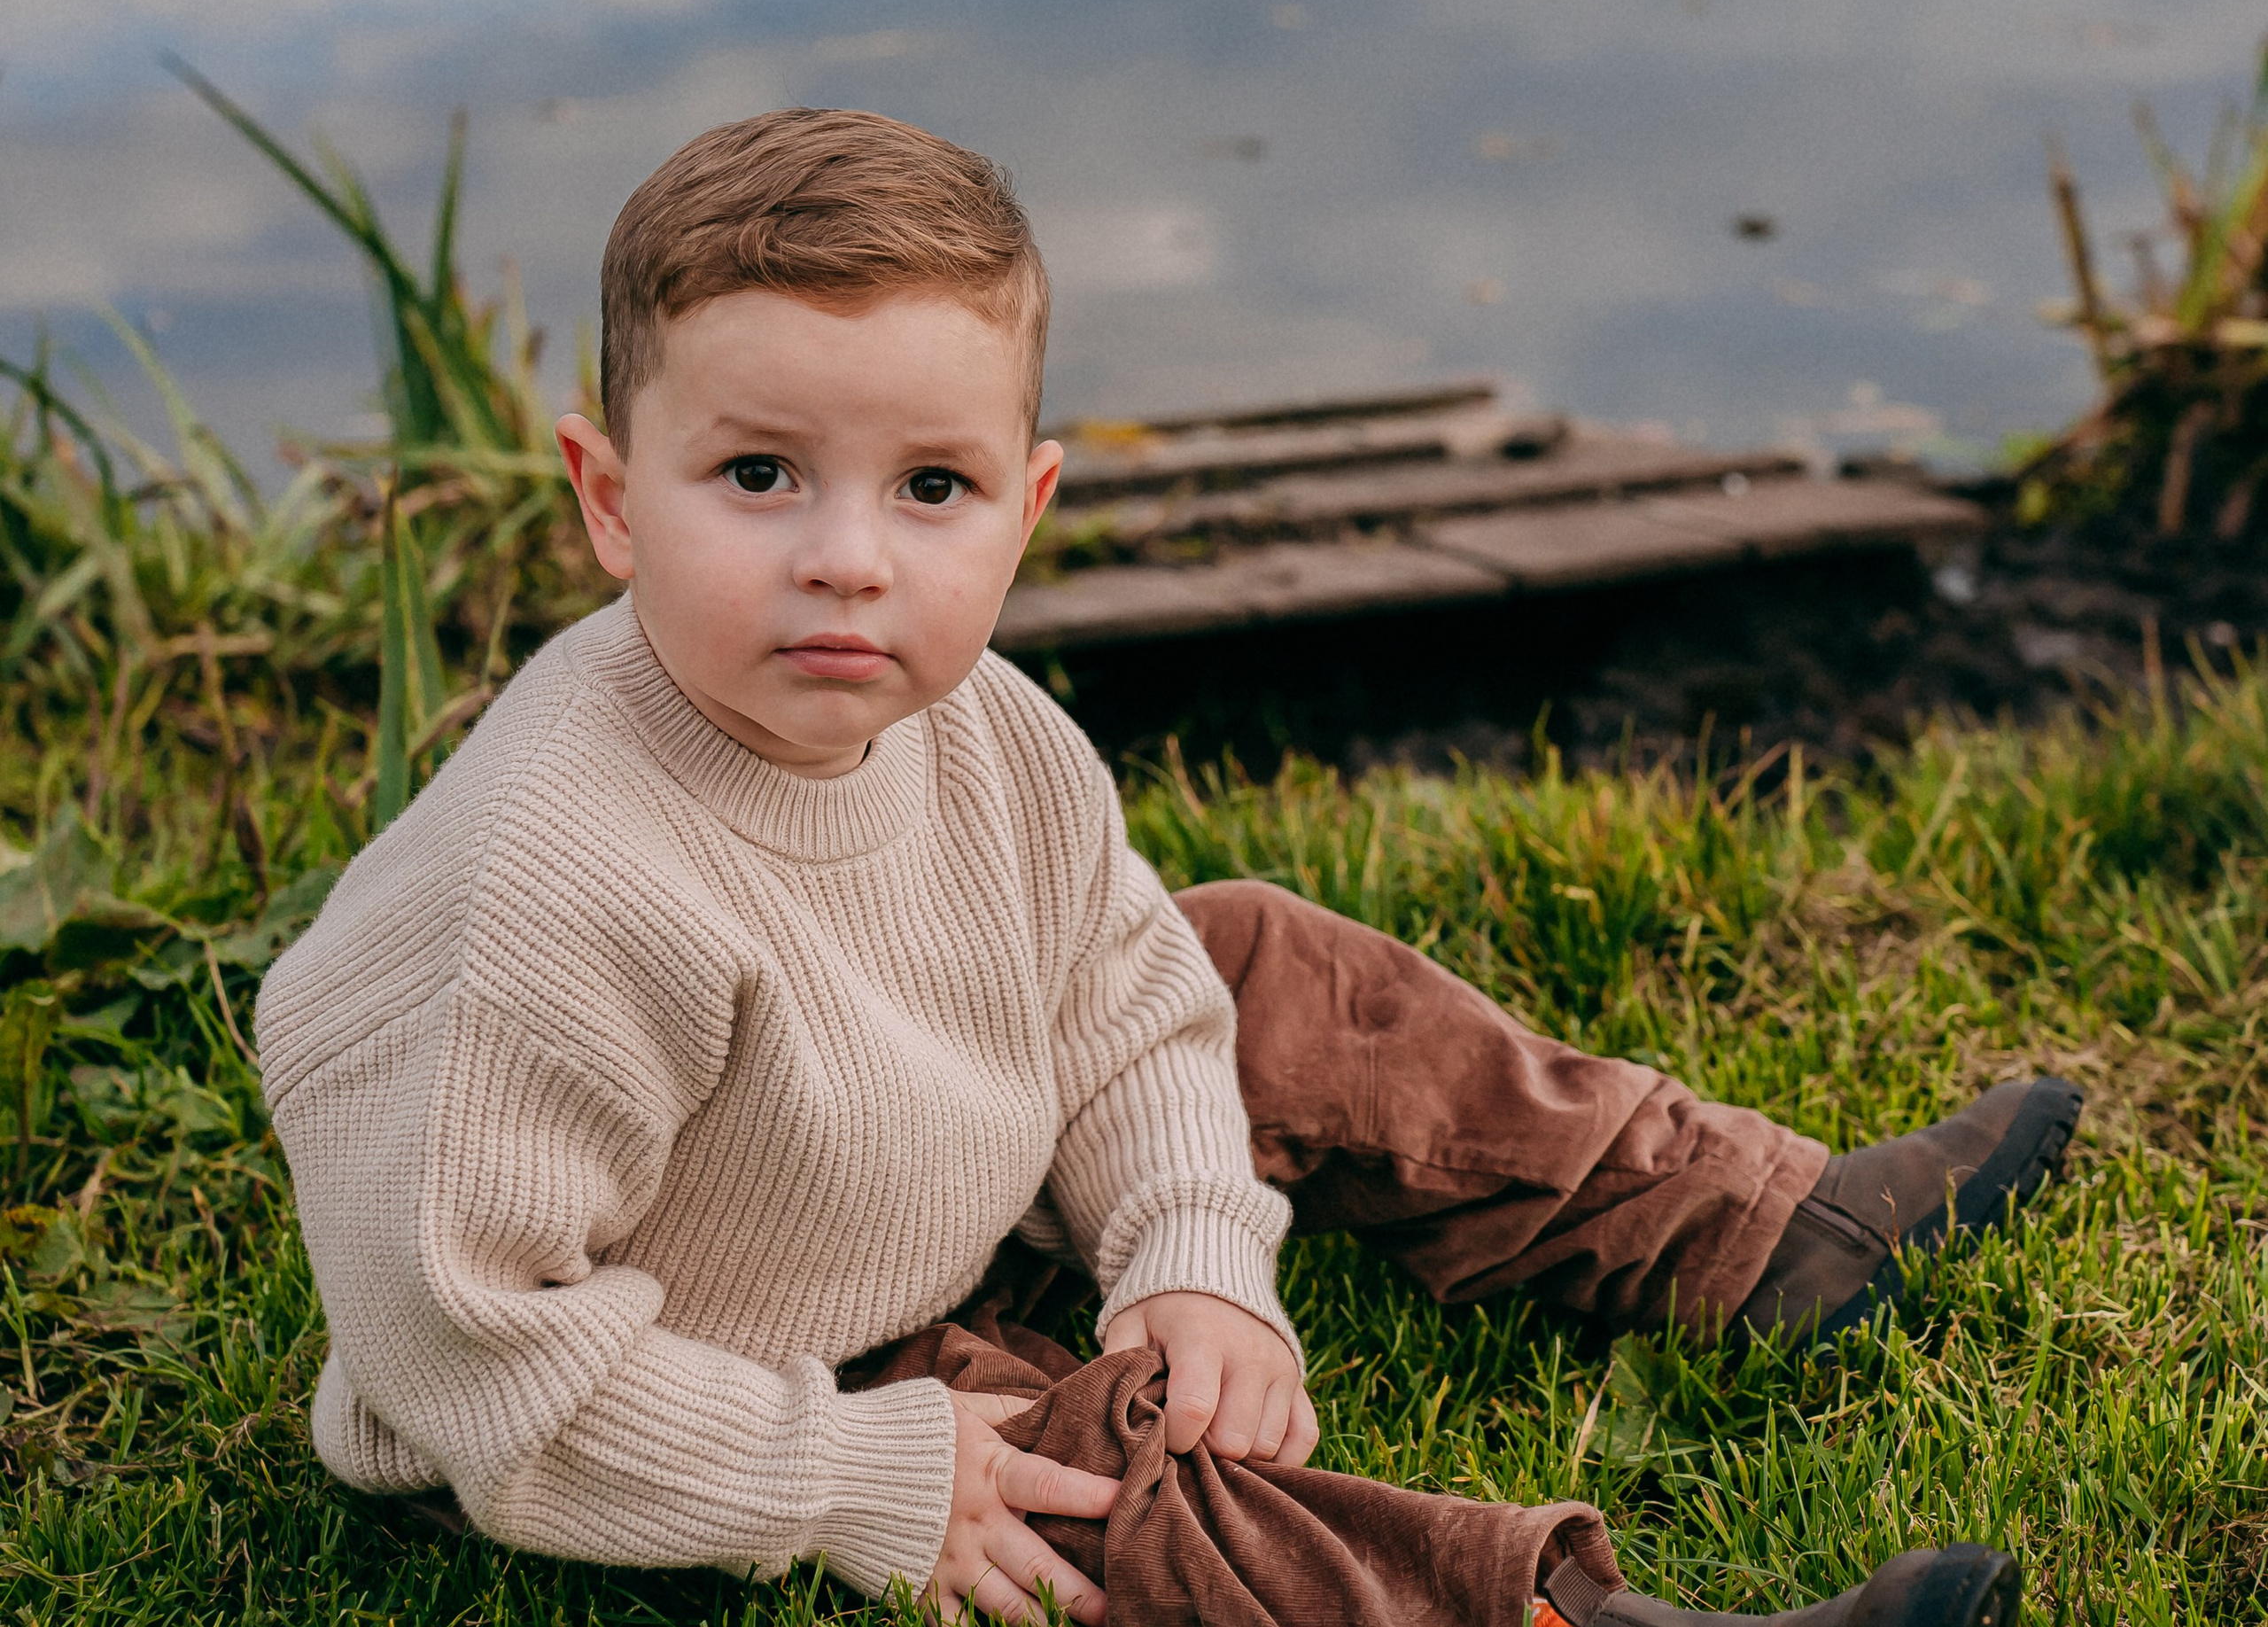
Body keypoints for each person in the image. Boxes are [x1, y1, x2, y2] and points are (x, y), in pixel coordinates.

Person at [257, 109, 2078, 1627]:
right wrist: (840, 1475)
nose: (846, 559)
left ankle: (1760, 1228)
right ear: (604, 491)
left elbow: (1132, 1012)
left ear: (1027, 505)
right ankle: (1553, 1614)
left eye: (929, 488)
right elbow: (473, 1355)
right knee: (1093, 1472)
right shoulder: (550, 889)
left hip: (902, 1188)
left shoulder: (995, 734)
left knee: (1248, 958)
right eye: (754, 472)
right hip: (709, 1388)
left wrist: (1194, 1247)